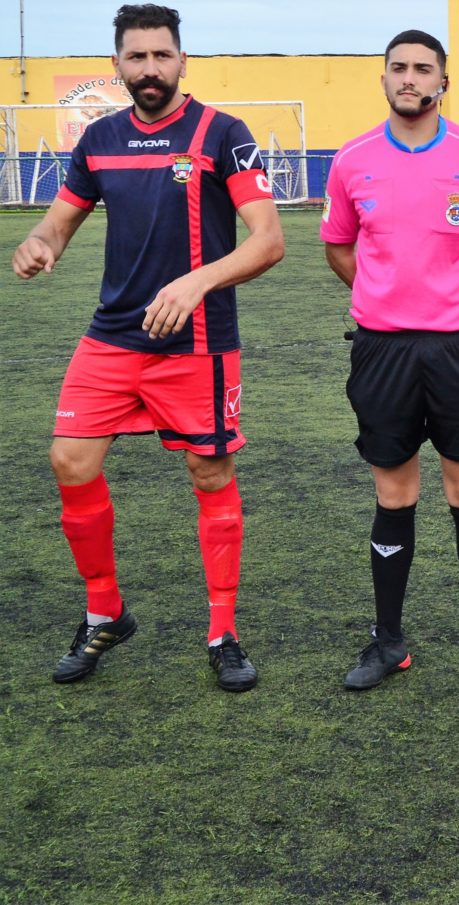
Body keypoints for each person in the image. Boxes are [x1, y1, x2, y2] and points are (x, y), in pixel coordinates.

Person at [10, 4, 284, 692]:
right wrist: (39, 244)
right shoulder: (99, 138)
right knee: (69, 459)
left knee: (210, 474)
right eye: (137, 57)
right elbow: (58, 224)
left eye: (162, 55)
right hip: (113, 335)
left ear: (182, 60)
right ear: (118, 65)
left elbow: (268, 240)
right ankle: (105, 610)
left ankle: (223, 631)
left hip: (198, 342)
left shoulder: (222, 133)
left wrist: (198, 281)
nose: (151, 69)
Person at [321, 30, 459, 693]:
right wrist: (384, 299)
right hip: (382, 349)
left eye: (422, 69)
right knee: (393, 492)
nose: (409, 78)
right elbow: (339, 246)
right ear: (384, 79)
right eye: (398, 68)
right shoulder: (352, 160)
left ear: (443, 82)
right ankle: (388, 641)